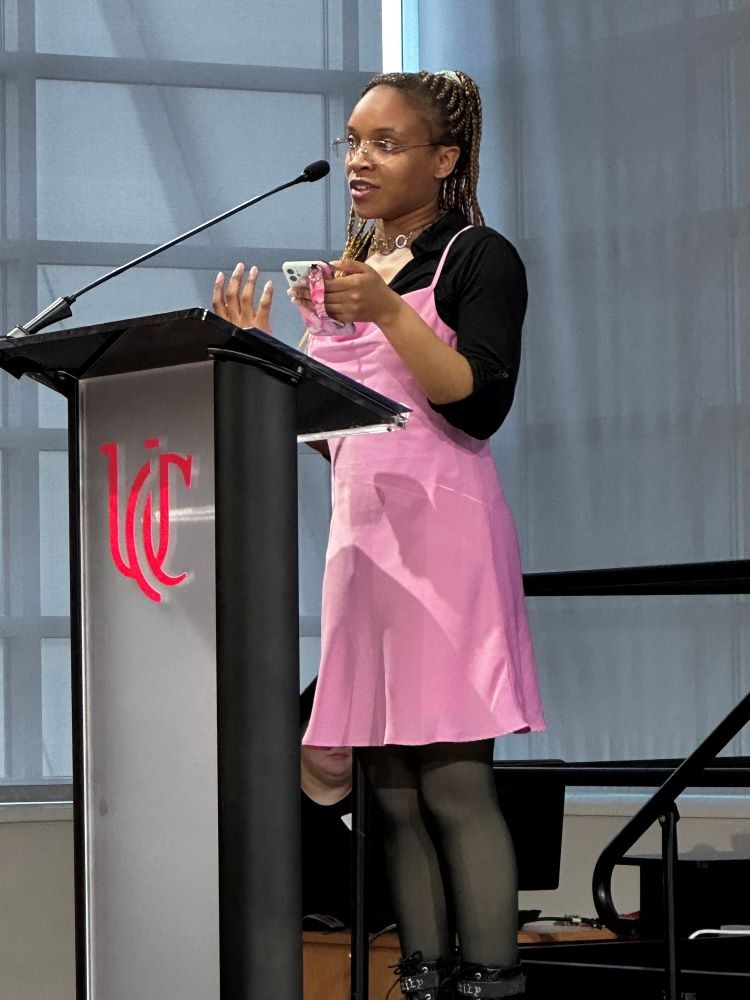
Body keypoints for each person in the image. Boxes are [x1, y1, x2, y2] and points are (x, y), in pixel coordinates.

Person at [213, 69, 545, 1000]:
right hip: (364, 550)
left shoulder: (479, 258)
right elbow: (341, 439)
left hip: (447, 544)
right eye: (355, 139)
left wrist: (391, 311)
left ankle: (491, 981)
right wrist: (264, 356)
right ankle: (423, 978)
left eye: (386, 143)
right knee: (390, 794)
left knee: (450, 784)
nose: (360, 159)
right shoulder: (340, 279)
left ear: (443, 161)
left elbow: (477, 406)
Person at [299, 678, 394, 933]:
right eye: (324, 728)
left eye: (348, 730)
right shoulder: (273, 809)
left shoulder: (389, 807)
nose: (338, 741)